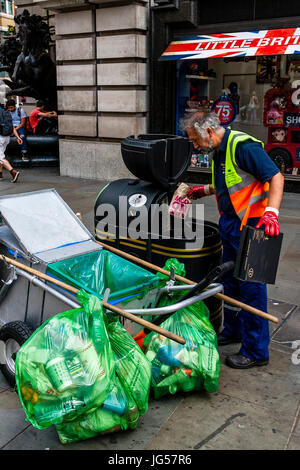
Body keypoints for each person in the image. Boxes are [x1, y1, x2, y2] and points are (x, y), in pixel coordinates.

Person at [182, 111, 284, 369]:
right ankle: (234, 330)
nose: (195, 146)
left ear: (208, 132)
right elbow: (228, 184)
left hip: (254, 225)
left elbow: (276, 177)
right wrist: (199, 191)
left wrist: (272, 214)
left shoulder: (242, 146)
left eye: (195, 140)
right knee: (232, 282)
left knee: (251, 287)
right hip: (231, 224)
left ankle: (255, 351)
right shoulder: (218, 150)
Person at [0, 104, 22, 183]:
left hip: (0, 137)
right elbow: (12, 126)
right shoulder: (5, 112)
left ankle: (13, 171)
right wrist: (18, 137)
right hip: (6, 137)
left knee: (0, 158)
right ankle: (0, 174)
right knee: (1, 155)